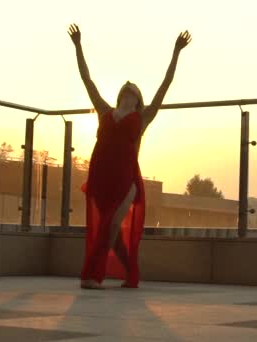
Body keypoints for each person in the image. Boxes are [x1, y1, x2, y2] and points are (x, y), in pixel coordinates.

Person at [68, 24, 191, 289]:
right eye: (124, 87)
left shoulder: (143, 117)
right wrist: (78, 45)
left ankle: (93, 275)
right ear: (121, 95)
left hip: (126, 179)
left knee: (112, 225)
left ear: (137, 97)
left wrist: (176, 52)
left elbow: (165, 85)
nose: (127, 86)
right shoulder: (104, 111)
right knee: (113, 234)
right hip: (101, 175)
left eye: (132, 88)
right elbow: (87, 80)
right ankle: (131, 274)